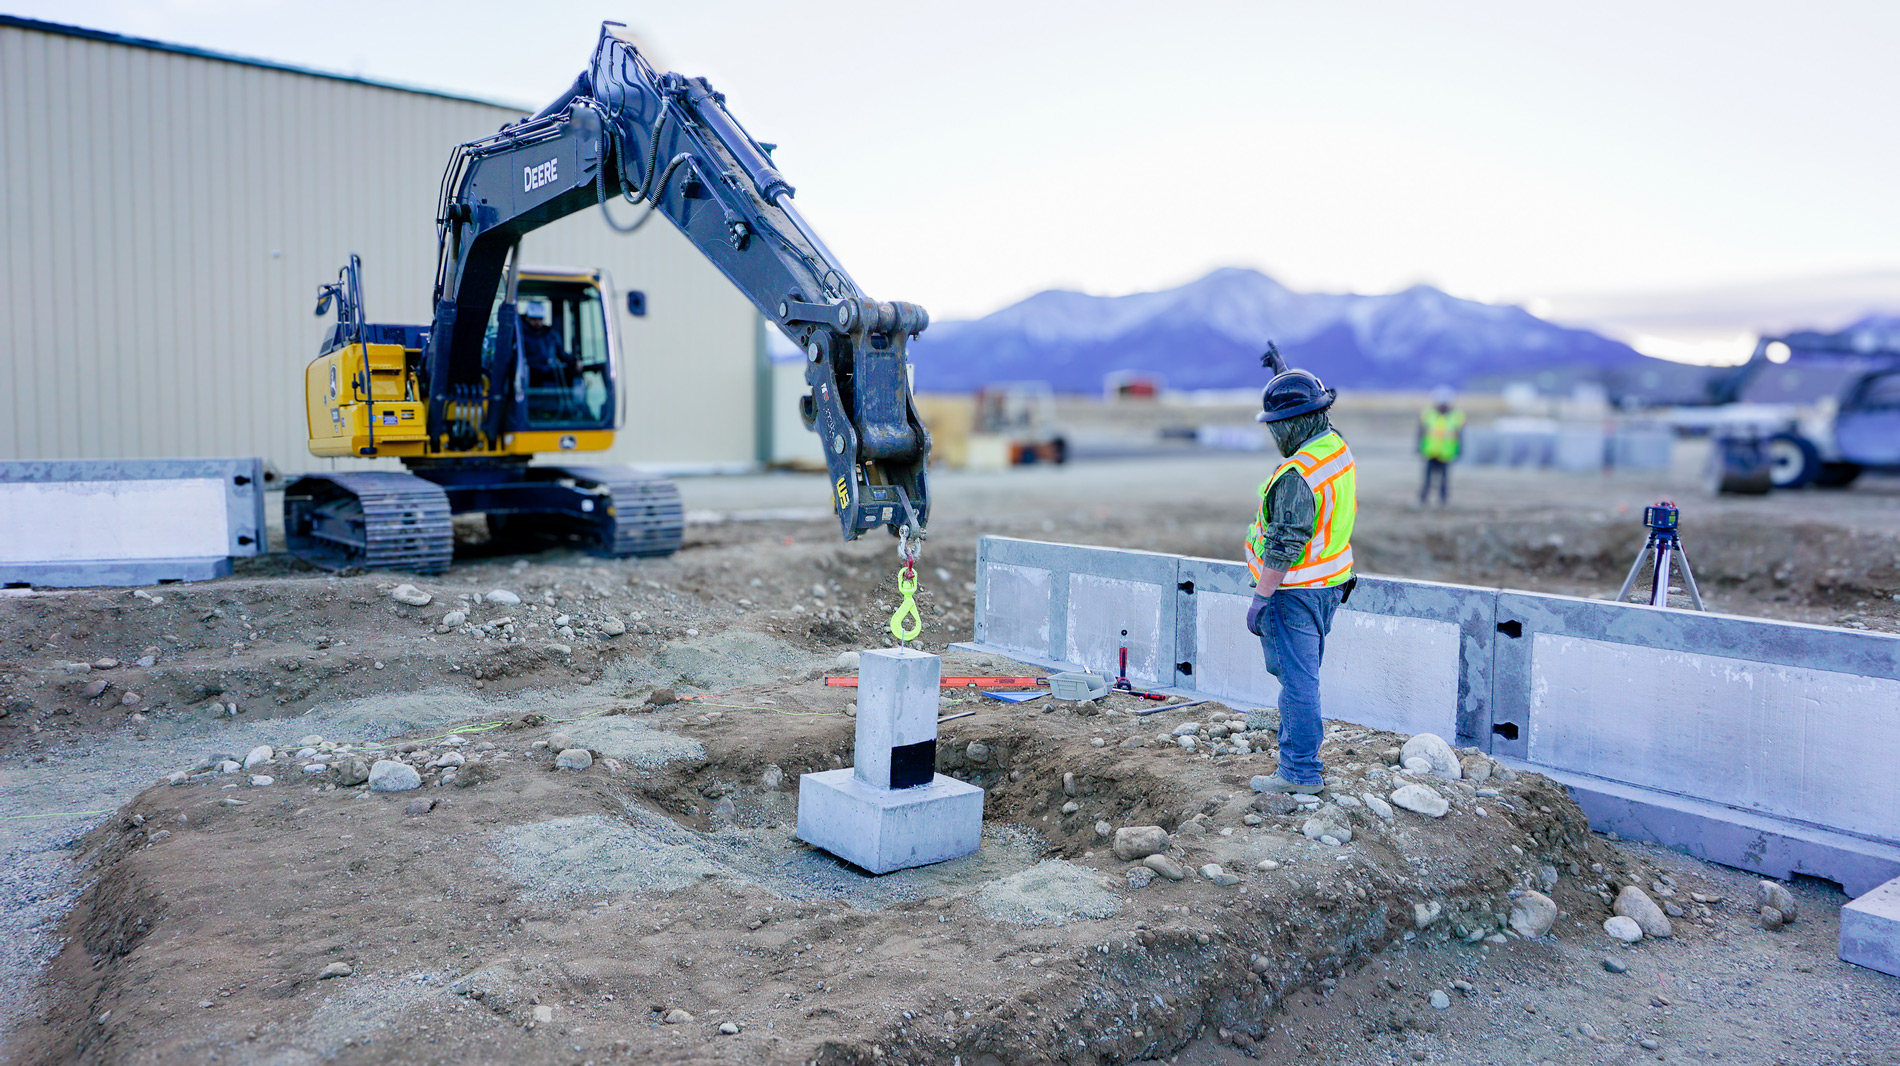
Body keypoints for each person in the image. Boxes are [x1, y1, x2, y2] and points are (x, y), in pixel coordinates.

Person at [1243, 367, 1357, 794]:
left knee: (1297, 680)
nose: (1274, 434)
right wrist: (1288, 376)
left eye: (1276, 425)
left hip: (1294, 593)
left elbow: (1285, 543)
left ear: (1291, 425)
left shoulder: (1297, 475)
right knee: (1298, 675)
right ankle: (1300, 763)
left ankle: (1299, 772)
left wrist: (1261, 597)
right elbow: (1319, 416)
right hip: (1329, 584)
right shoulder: (1334, 447)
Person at [1417, 385, 1464, 506]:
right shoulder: (1428, 414)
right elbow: (1420, 433)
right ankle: (1423, 498)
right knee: (1427, 478)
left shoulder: (1456, 416)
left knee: (1444, 479)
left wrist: (1459, 450)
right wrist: (1419, 447)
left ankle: (1443, 499)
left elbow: (1459, 436)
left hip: (1446, 452)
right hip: (1431, 451)